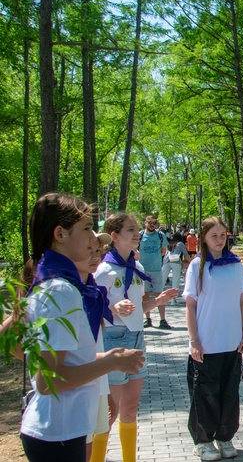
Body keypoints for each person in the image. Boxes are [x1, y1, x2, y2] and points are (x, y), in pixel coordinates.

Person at [20, 194, 144, 462]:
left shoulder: (53, 282)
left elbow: (54, 359)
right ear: (60, 234)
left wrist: (111, 360)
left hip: (58, 430)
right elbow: (48, 381)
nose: (93, 240)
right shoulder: (62, 290)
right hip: (58, 433)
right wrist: (111, 363)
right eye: (86, 229)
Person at [96, 212, 178, 462]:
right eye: (131, 230)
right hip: (113, 340)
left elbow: (137, 309)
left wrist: (157, 302)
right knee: (109, 413)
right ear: (114, 236)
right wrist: (112, 309)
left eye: (136, 230)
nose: (137, 234)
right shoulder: (104, 270)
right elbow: (91, 309)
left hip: (137, 338)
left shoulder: (137, 267)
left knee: (129, 409)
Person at [184, 217, 243, 461]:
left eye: (223, 235)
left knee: (229, 392)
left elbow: (242, 301)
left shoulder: (235, 265)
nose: (219, 240)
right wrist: (194, 340)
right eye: (214, 235)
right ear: (203, 238)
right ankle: (203, 441)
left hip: (232, 343)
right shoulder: (197, 266)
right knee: (205, 394)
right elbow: (190, 305)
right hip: (206, 343)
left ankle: (225, 437)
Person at [74, 231, 115, 462]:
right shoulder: (62, 290)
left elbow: (95, 341)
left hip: (95, 382)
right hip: (73, 388)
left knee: (90, 446)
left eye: (98, 250)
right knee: (80, 447)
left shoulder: (92, 287)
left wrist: (105, 390)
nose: (95, 256)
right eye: (89, 249)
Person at [138, 215, 171, 329]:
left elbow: (163, 251)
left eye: (154, 222)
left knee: (159, 294)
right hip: (143, 270)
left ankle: (162, 319)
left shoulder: (160, 236)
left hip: (157, 269)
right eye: (149, 222)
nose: (152, 224)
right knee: (145, 294)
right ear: (145, 223)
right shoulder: (140, 235)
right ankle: (147, 319)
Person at [163, 232, 190, 304]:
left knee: (162, 280)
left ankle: (159, 297)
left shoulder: (169, 243)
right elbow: (186, 255)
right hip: (176, 262)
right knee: (175, 281)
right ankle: (173, 300)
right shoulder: (180, 244)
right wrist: (191, 263)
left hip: (166, 262)